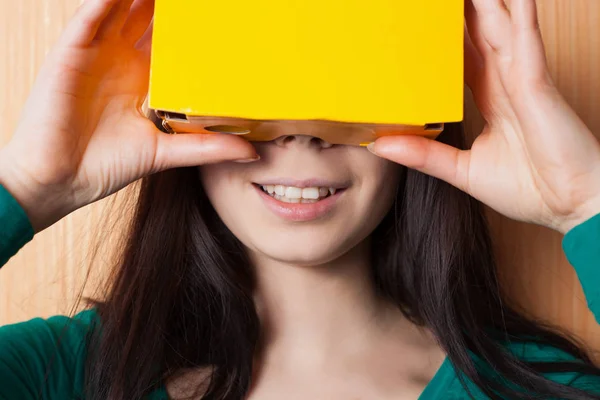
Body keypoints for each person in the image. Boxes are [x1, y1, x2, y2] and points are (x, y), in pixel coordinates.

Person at [0, 0, 599, 399]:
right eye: (260, 76)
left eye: (349, 77)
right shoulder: (66, 374)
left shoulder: (533, 387)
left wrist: (585, 201)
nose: (302, 131)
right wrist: (24, 185)